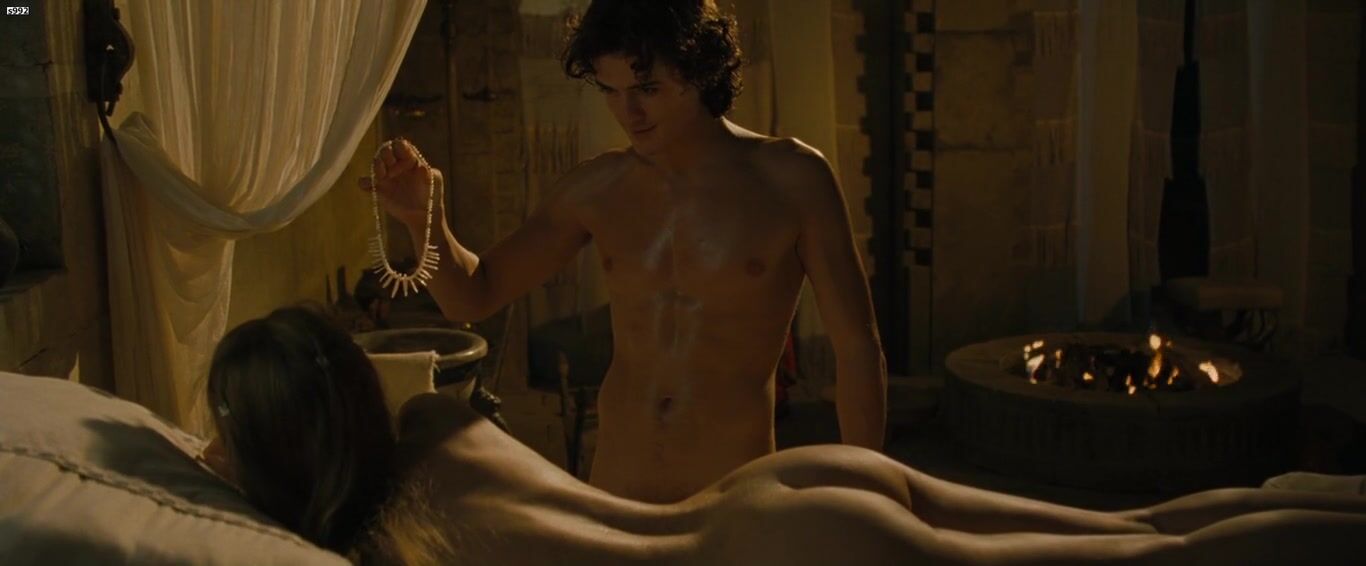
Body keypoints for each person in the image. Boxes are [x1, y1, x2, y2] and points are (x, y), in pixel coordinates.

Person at [205, 306, 1366, 565]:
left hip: (777, 552)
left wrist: (234, 474)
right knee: (1152, 528)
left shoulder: (383, 540)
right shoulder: (428, 423)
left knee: (1158, 558)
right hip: (790, 482)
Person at [362, 0, 886, 503]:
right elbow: (472, 297)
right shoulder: (598, 188)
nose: (628, 112)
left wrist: (868, 492)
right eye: (610, 91)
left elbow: (858, 349)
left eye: (647, 89)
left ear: (701, 69)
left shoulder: (792, 178)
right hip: (617, 489)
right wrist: (423, 220)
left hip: (730, 493)